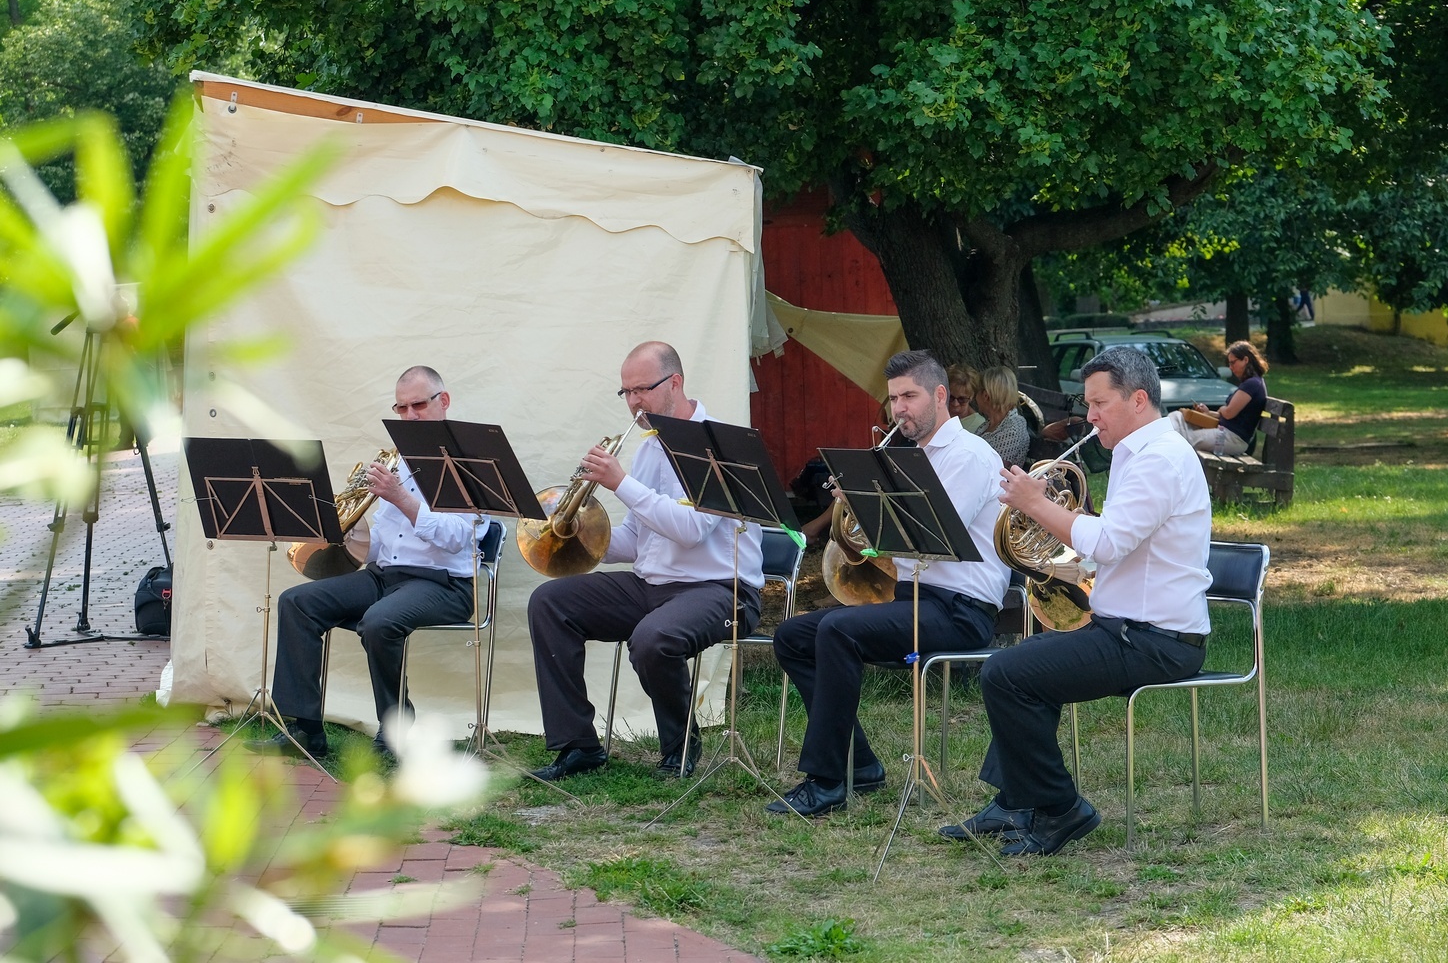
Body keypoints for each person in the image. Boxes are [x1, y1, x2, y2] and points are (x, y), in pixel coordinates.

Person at [939, 346, 1211, 856]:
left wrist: (1035, 503)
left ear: (1137, 400)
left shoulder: (1161, 459)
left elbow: (1107, 544)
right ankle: (1016, 800)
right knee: (1024, 662)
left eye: (1100, 404)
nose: (1090, 416)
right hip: (1127, 628)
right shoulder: (1139, 454)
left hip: (1156, 640)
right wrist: (1052, 527)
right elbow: (1113, 545)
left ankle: (1060, 808)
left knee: (1006, 673)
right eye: (1088, 404)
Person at [769, 350, 1012, 817]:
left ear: (939, 396)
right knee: (793, 636)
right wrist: (860, 506)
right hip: (916, 600)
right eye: (894, 398)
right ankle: (858, 764)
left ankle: (826, 780)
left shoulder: (968, 455)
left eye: (909, 397)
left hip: (961, 610)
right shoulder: (910, 459)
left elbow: (933, 540)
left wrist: (870, 504)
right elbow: (882, 548)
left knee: (836, 630)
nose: (899, 409)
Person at [526, 342, 764, 781]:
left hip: (722, 590)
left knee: (653, 638)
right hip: (653, 586)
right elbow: (637, 542)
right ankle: (577, 746)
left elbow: (691, 530)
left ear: (675, 382)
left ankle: (680, 745)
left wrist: (619, 483)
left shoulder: (717, 445)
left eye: (642, 390)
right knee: (549, 602)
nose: (634, 402)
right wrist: (575, 535)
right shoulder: (649, 448)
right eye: (627, 392)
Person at [250, 366, 489, 758]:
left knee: (379, 621)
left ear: (443, 401)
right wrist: (347, 534)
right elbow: (382, 542)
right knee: (297, 602)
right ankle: (304, 730)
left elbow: (459, 537)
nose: (410, 416)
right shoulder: (398, 461)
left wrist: (400, 498)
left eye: (418, 405)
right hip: (385, 575)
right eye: (401, 408)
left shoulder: (471, 462)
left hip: (446, 584)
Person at [1167, 341, 1269, 456]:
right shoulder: (1250, 383)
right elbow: (1230, 414)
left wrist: (1222, 409)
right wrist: (1207, 412)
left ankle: (1166, 456)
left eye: (1233, 363)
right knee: (1177, 417)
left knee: (1186, 439)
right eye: (1229, 364)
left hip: (1233, 438)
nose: (1231, 367)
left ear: (1245, 360)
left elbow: (1229, 413)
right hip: (1223, 431)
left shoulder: (1253, 384)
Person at [975, 365, 1031, 468]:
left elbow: (997, 469)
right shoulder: (990, 424)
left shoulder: (1012, 428)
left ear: (985, 396)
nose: (975, 397)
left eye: (976, 392)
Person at [947, 364, 987, 434]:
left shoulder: (979, 425)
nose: (955, 404)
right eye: (951, 397)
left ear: (972, 396)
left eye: (962, 399)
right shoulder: (934, 412)